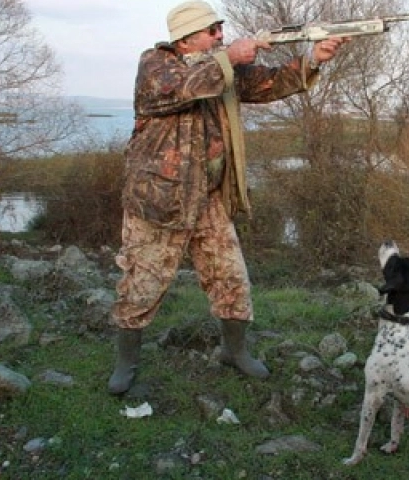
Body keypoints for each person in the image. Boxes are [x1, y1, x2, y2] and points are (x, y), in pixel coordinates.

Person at [108, 0, 347, 394]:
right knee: (140, 286)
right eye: (212, 30)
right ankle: (126, 364)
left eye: (221, 28)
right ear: (186, 40)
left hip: (209, 201)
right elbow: (183, 88)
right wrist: (228, 58)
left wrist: (314, 60)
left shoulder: (222, 69)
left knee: (232, 280)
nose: (221, 34)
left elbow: (270, 83)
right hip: (159, 203)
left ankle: (234, 352)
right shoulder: (156, 65)